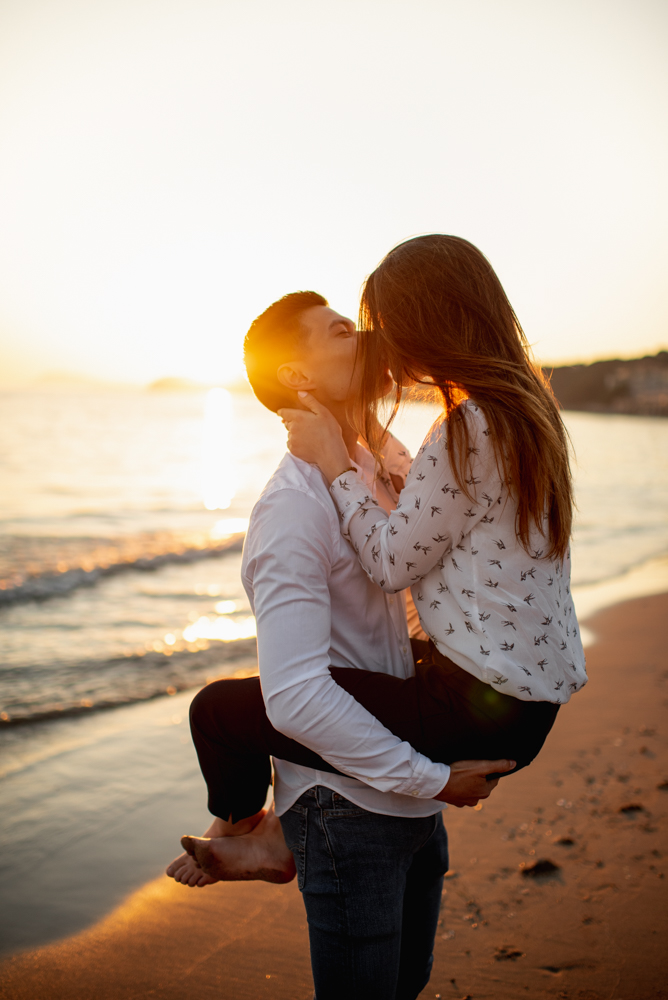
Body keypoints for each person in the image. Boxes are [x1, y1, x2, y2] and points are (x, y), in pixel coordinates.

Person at [167, 290, 512, 1000]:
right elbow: (293, 696)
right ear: (297, 376)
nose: (370, 338)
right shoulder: (293, 507)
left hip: (412, 794)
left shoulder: (383, 472)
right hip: (346, 812)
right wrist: (434, 779)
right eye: (342, 333)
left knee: (407, 984)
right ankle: (259, 833)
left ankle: (254, 836)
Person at [278, 235, 588, 778]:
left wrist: (334, 462)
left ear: (424, 324)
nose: (379, 340)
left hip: (481, 706)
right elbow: (432, 504)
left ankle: (253, 825)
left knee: (232, 711)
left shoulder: (468, 427)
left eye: (386, 323)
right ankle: (283, 828)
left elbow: (389, 564)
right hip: (527, 700)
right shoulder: (524, 408)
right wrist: (361, 433)